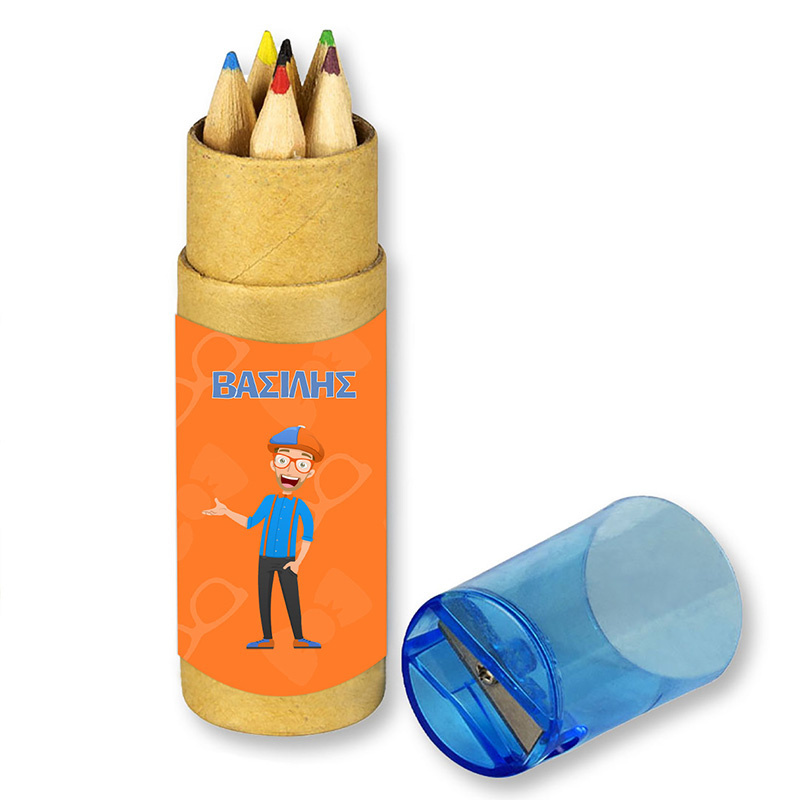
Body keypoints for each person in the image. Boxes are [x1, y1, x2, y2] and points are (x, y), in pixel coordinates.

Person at [203, 425, 324, 649]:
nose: (291, 469)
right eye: (283, 461)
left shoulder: (301, 506)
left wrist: (297, 562)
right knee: (264, 598)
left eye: (301, 464)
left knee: (291, 599)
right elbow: (250, 522)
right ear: (273, 464)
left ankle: (299, 638)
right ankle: (267, 638)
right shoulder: (268, 501)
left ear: (309, 473)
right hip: (265, 559)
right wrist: (226, 512)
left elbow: (308, 536)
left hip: (287, 560)